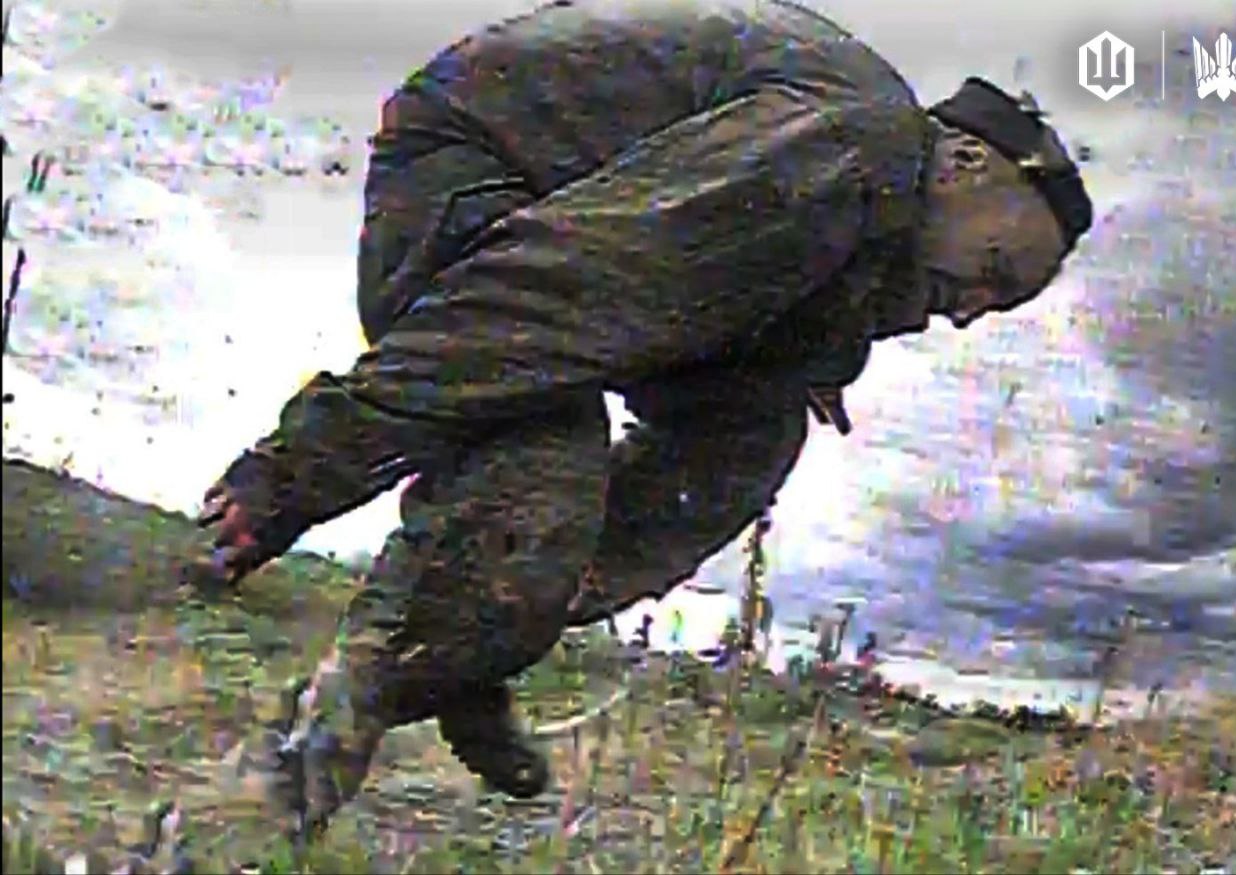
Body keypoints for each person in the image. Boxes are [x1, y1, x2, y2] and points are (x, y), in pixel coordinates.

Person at [189, 0, 1093, 842]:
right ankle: (255, 810)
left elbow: (732, 374)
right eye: (994, 270)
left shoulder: (855, 219)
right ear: (965, 163)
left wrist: (519, 609)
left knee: (750, 441)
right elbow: (562, 291)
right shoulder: (855, 151)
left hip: (591, 217)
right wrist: (300, 470)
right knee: (538, 470)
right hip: (483, 155)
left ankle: (483, 637)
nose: (969, 312)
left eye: (995, 307)